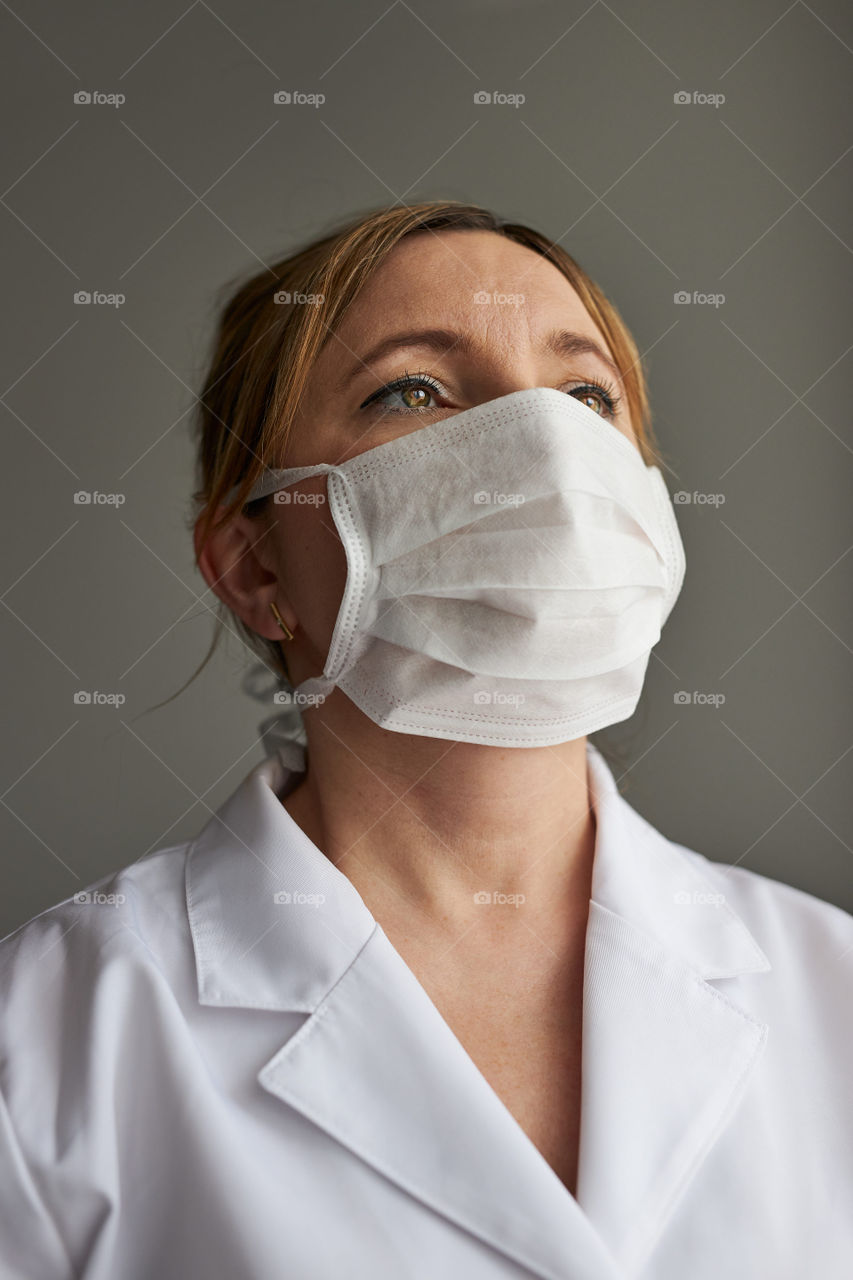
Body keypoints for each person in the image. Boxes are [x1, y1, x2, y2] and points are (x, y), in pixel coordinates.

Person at [1, 202, 850, 1280]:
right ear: (256, 567)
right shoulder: (50, 1043)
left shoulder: (833, 994)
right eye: (413, 390)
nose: (544, 439)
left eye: (586, 394)